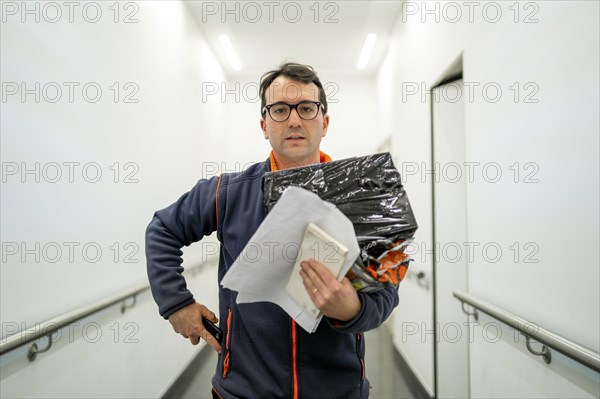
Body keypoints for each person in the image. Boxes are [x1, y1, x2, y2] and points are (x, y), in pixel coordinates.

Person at [145, 62, 399, 399]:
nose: (294, 119)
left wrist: (352, 309)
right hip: (243, 390)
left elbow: (386, 291)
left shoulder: (363, 198)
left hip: (338, 391)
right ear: (264, 126)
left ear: (324, 123)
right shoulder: (227, 192)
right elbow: (162, 229)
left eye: (307, 108)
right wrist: (176, 304)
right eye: (280, 110)